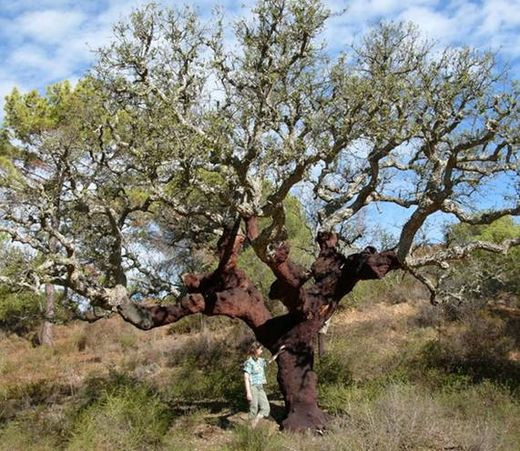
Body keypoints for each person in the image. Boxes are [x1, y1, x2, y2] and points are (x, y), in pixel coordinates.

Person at [243, 342, 285, 427]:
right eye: (260, 349)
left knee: (266, 408)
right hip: (253, 387)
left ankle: (254, 422)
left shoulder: (260, 361)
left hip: (260, 387)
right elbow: (246, 378)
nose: (262, 351)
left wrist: (279, 352)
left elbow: (270, 360)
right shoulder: (249, 362)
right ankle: (248, 429)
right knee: (253, 409)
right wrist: (248, 392)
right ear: (255, 350)